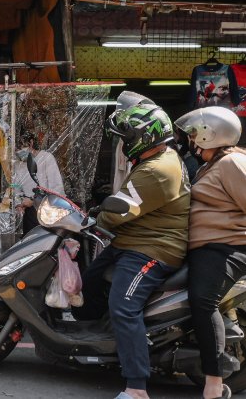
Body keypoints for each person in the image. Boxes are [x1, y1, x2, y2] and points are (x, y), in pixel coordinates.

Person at [72, 103, 190, 399]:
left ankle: (137, 387)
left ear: (145, 137)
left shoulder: (157, 170)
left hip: (153, 248)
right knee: (85, 287)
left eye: (126, 138)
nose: (123, 145)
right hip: (129, 242)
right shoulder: (158, 157)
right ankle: (104, 346)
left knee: (123, 305)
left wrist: (99, 213)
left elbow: (117, 212)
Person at [175, 107, 244, 399]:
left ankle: (213, 383)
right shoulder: (210, 165)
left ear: (210, 133)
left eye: (195, 133)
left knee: (203, 301)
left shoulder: (232, 162)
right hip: (205, 247)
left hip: (225, 247)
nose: (191, 139)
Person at [12, 131, 65, 233]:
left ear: (31, 143)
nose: (18, 151)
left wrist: (34, 201)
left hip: (48, 211)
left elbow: (57, 189)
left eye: (21, 147)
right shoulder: (18, 165)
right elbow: (15, 186)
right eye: (16, 149)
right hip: (29, 212)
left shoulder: (46, 158)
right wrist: (18, 204)